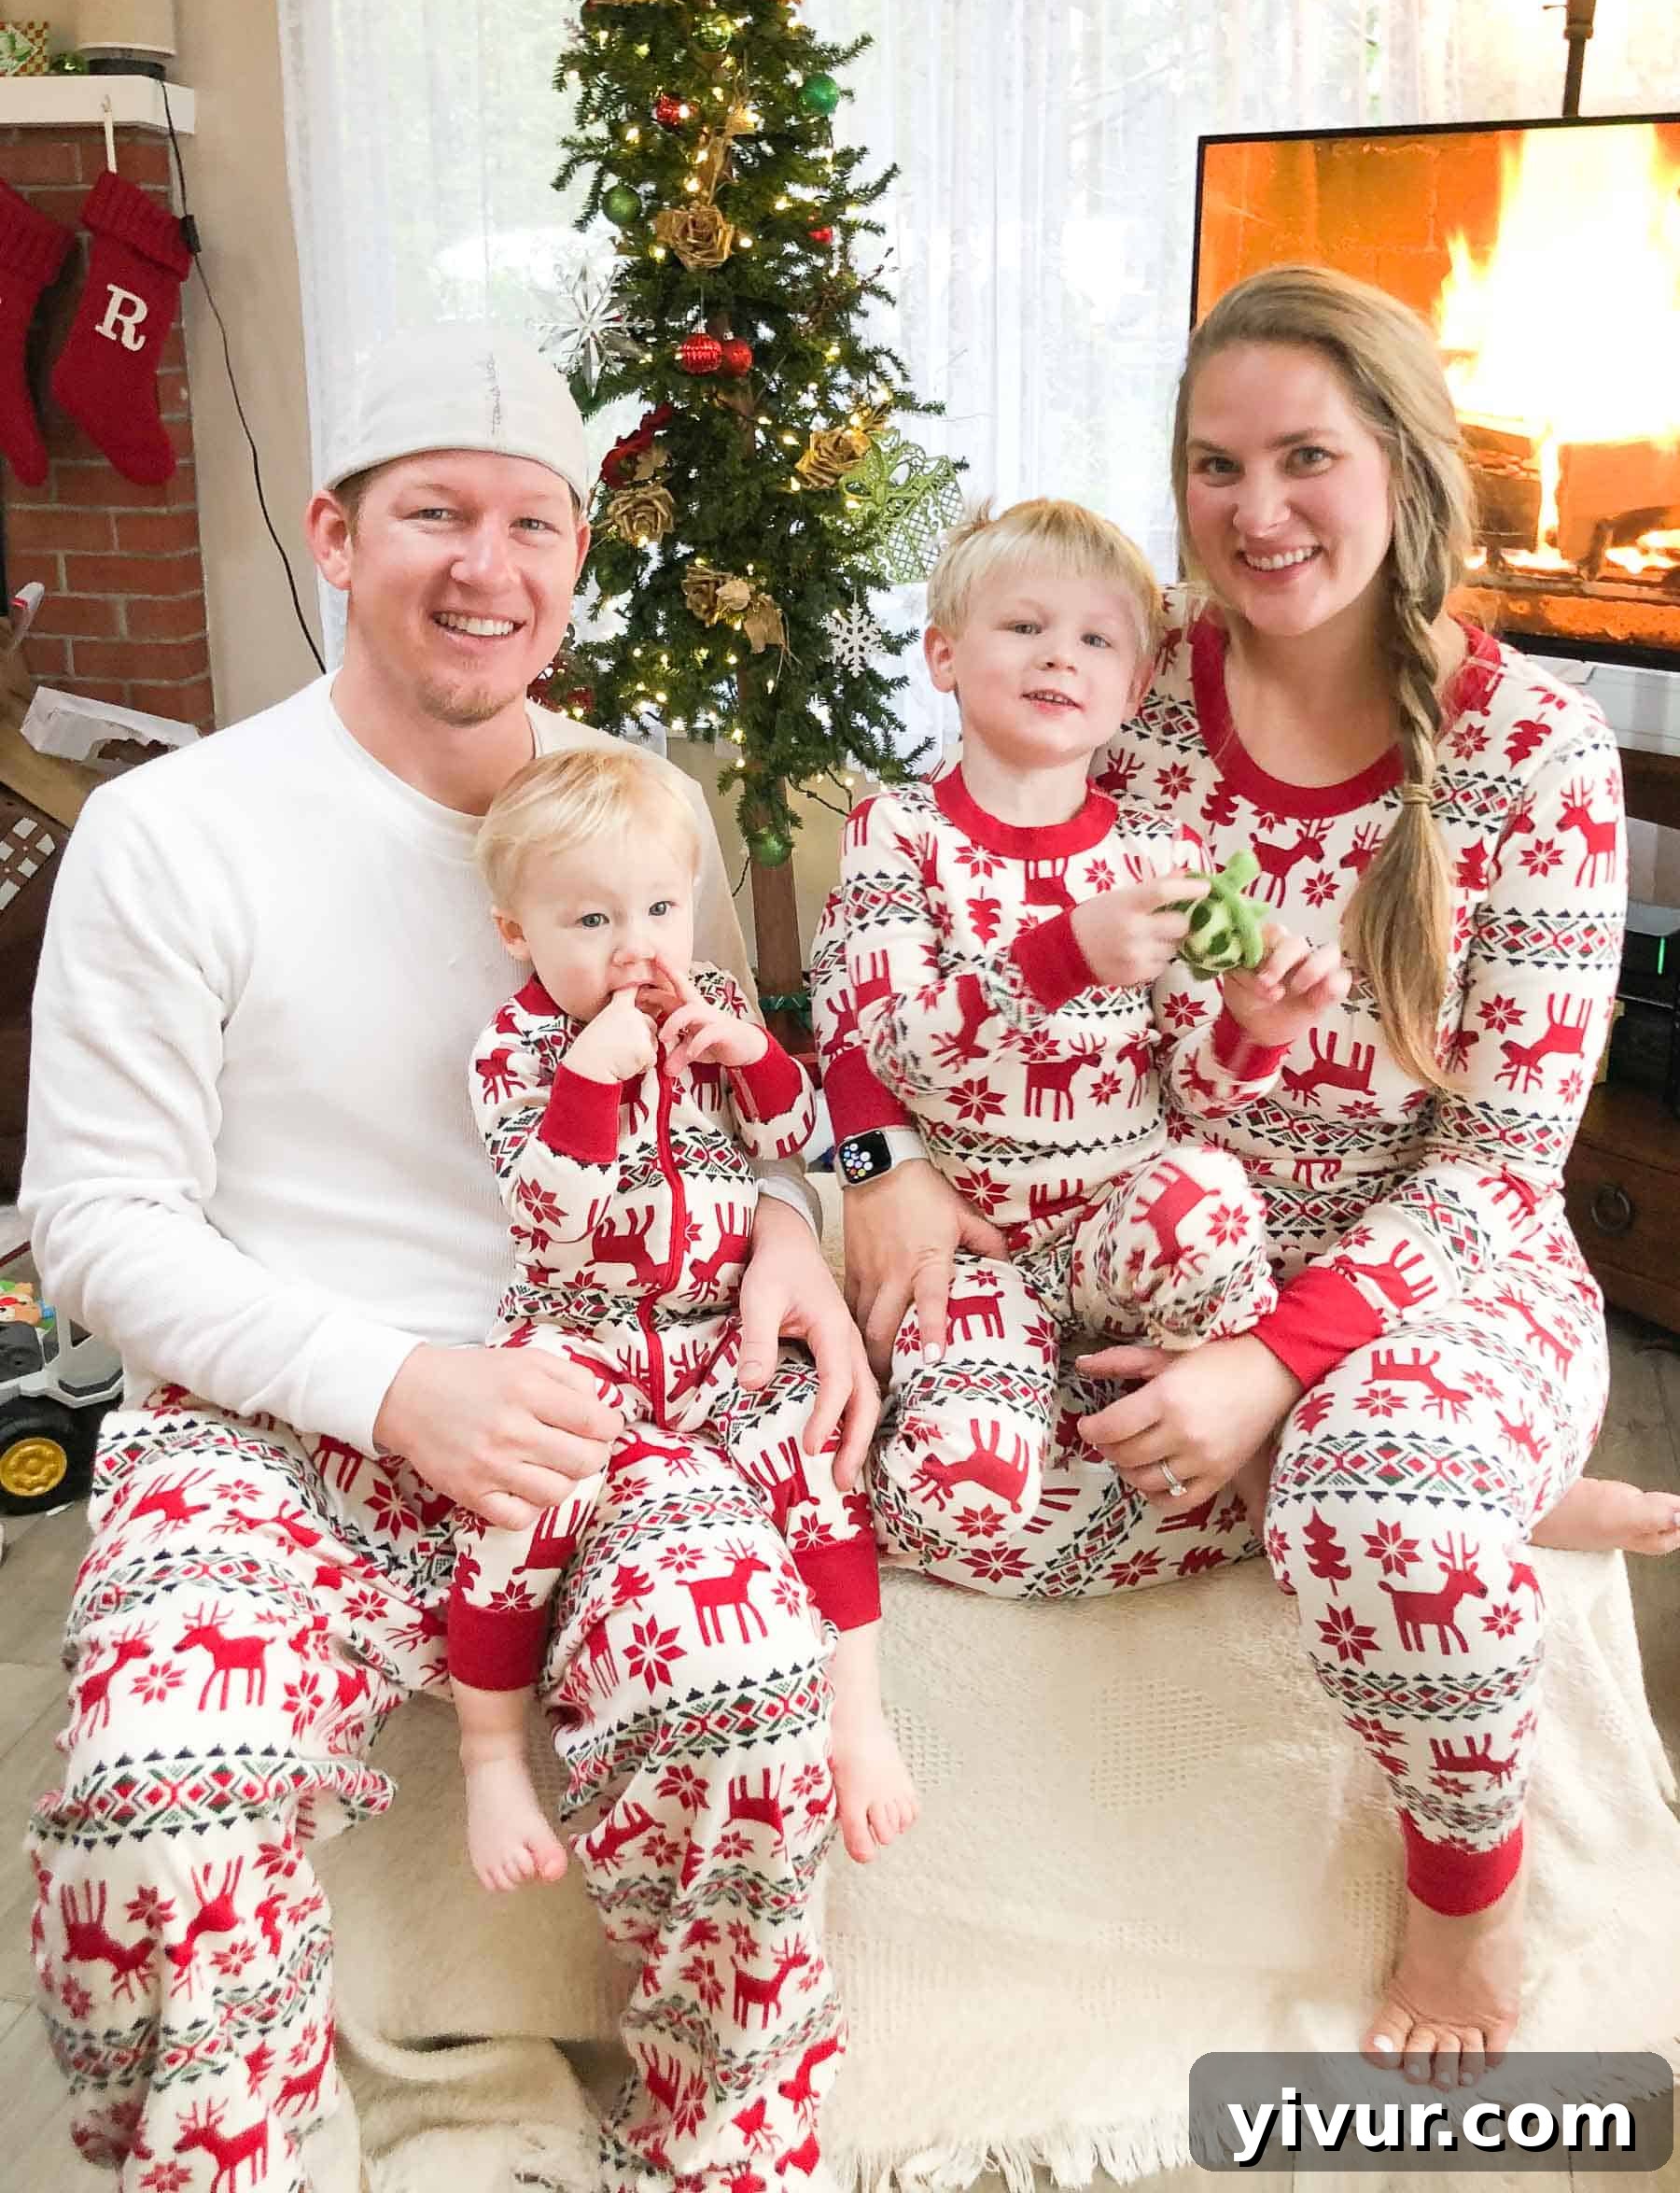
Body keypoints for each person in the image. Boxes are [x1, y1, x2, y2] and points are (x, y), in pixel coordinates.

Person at [21, 325, 876, 2193]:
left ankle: (721, 2151)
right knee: (157, 1807)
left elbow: (725, 1087)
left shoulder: (626, 813)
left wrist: (797, 1230)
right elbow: (91, 1221)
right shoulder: (178, 835)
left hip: (611, 1408)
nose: (483, 569)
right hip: (272, 1415)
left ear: (577, 562)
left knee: (745, 1708)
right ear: (334, 538)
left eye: (531, 525)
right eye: (430, 516)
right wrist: (395, 1384)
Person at [818, 267, 1679, 2088]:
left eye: (1306, 457)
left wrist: (1272, 1369)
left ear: (1404, 466)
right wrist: (877, 1162)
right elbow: (905, 959)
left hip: (1434, 1271)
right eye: (1215, 466)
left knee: (1376, 1510)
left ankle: (1466, 1888)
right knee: (928, 1490)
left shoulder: (1537, 760)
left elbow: (1502, 1168)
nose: (1256, 511)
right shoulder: (1117, 689)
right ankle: (1456, 1496)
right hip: (1123, 1238)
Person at [819, 498, 1349, 1575]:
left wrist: (1253, 1031)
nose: (1061, 656)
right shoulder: (897, 832)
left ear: (1133, 684)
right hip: (971, 1251)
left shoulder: (1159, 853)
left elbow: (1200, 1104)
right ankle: (1110, 1483)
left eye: (1097, 638)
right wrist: (1059, 957)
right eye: (1025, 627)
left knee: (1206, 1191)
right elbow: (878, 1052)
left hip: (1116, 1235)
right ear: (944, 654)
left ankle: (1257, 1473)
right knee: (944, 1505)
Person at [453, 745, 917, 1885]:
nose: (637, 947)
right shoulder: (516, 1051)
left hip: (715, 1333)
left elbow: (793, 1142)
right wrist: (590, 1083)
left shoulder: (693, 1009)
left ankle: (855, 1716)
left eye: (661, 908)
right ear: (521, 934)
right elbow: (550, 1224)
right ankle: (487, 1754)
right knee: (519, 1499)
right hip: (581, 1337)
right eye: (594, 921)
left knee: (812, 1455)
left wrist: (752, 1053)